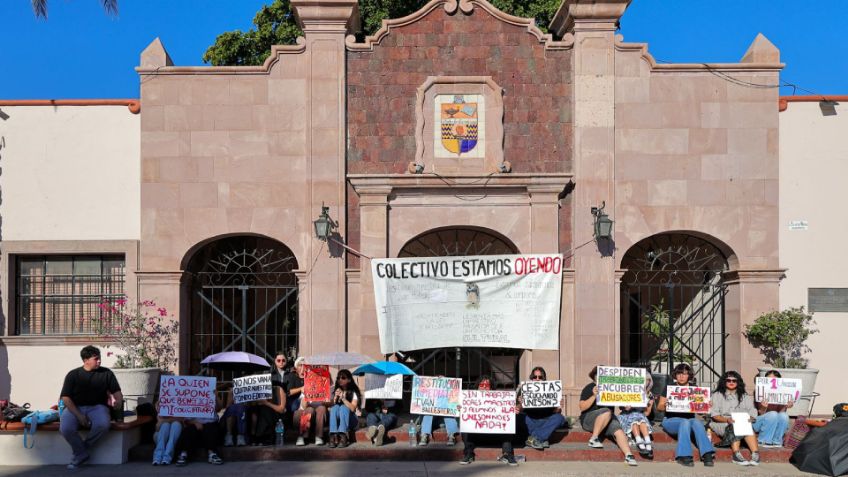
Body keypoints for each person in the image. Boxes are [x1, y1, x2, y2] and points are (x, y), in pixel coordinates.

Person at [59, 345, 124, 470]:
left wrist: (118, 401)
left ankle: (81, 451)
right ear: (86, 360)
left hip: (98, 407)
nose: (99, 361)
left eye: (99, 358)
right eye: (96, 359)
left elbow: (117, 392)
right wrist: (78, 415)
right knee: (66, 428)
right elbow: (66, 398)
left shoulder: (106, 373)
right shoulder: (73, 375)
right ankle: (81, 453)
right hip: (75, 407)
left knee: (103, 425)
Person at [657, 363, 716, 467]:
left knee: (697, 422)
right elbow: (659, 407)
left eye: (684, 374)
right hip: (671, 420)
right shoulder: (670, 388)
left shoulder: (694, 389)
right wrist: (666, 404)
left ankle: (707, 454)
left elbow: (701, 412)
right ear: (675, 375)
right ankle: (684, 456)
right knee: (685, 422)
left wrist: (706, 405)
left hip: (690, 420)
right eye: (679, 374)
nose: (681, 376)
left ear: (689, 375)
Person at [578, 366, 638, 466]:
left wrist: (626, 406)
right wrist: (594, 395)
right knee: (607, 411)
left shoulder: (612, 387)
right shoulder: (589, 387)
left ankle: (629, 455)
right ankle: (594, 438)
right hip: (589, 419)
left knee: (617, 429)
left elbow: (621, 404)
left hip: (608, 419)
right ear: (595, 376)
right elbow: (582, 407)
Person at [460, 375, 519, 466]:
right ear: (477, 386)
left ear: (491, 388)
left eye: (487, 385)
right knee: (465, 428)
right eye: (481, 385)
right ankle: (468, 453)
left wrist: (513, 410)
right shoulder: (469, 400)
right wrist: (461, 410)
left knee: (507, 426)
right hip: (477, 436)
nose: (484, 387)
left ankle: (508, 454)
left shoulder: (500, 399)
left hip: (495, 436)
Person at [710, 370, 760, 466]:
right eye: (728, 380)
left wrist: (750, 418)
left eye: (734, 380)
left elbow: (752, 411)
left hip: (741, 421)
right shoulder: (717, 395)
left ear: (738, 382)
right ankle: (736, 454)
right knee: (734, 425)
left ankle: (755, 454)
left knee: (747, 425)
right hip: (722, 422)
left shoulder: (744, 396)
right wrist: (727, 420)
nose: (731, 382)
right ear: (724, 381)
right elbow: (715, 415)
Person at [174, 384, 226, 466]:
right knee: (188, 430)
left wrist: (216, 396)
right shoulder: (190, 398)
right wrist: (195, 422)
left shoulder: (212, 395)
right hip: (195, 425)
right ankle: (183, 454)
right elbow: (186, 420)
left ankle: (212, 454)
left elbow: (219, 408)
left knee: (211, 428)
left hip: (210, 424)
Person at [520, 366, 566, 450]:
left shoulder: (551, 390)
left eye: (540, 377)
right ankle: (541, 438)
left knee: (560, 418)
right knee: (519, 417)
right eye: (534, 377)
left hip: (545, 422)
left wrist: (559, 407)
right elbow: (519, 410)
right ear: (531, 378)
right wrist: (520, 404)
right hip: (531, 421)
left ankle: (534, 438)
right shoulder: (525, 389)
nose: (537, 379)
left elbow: (556, 412)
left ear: (544, 379)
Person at [617, 372, 655, 459]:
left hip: (641, 417)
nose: (645, 382)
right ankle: (640, 442)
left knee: (638, 416)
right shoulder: (628, 391)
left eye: (647, 380)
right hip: (626, 416)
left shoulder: (649, 395)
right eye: (643, 380)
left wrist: (644, 406)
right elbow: (620, 407)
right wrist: (626, 406)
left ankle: (646, 441)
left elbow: (647, 413)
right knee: (634, 416)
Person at [753, 369, 792, 447]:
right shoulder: (760, 391)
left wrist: (785, 406)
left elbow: (781, 413)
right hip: (759, 422)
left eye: (774, 380)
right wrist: (763, 407)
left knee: (784, 415)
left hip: (774, 422)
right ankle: (763, 440)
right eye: (768, 380)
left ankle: (776, 441)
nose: (771, 382)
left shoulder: (783, 392)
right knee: (772, 414)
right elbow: (760, 413)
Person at [293, 366, 330, 446]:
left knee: (322, 408)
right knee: (309, 409)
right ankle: (302, 436)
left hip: (320, 411)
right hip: (307, 410)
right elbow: (303, 406)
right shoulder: (307, 388)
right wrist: (306, 395)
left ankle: (319, 436)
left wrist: (325, 400)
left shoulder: (325, 388)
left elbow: (330, 404)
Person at [328, 369, 361, 448]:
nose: (340, 380)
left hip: (351, 420)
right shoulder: (334, 390)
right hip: (338, 422)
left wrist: (343, 399)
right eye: (338, 378)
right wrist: (335, 398)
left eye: (343, 378)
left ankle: (343, 436)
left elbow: (353, 408)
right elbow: (329, 408)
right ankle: (333, 435)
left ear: (349, 380)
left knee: (343, 407)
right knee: (335, 407)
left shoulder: (353, 392)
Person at [249, 376, 287, 445]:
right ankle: (261, 436)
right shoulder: (258, 392)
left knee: (265, 410)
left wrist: (267, 403)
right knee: (259, 411)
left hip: (276, 415)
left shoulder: (278, 389)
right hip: (261, 416)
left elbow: (281, 409)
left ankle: (259, 436)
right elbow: (252, 406)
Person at [152, 401, 183, 465]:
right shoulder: (161, 405)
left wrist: (166, 420)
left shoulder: (182, 405)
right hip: (162, 434)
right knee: (165, 425)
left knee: (176, 424)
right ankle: (158, 457)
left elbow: (181, 420)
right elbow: (157, 427)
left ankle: (167, 457)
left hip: (174, 433)